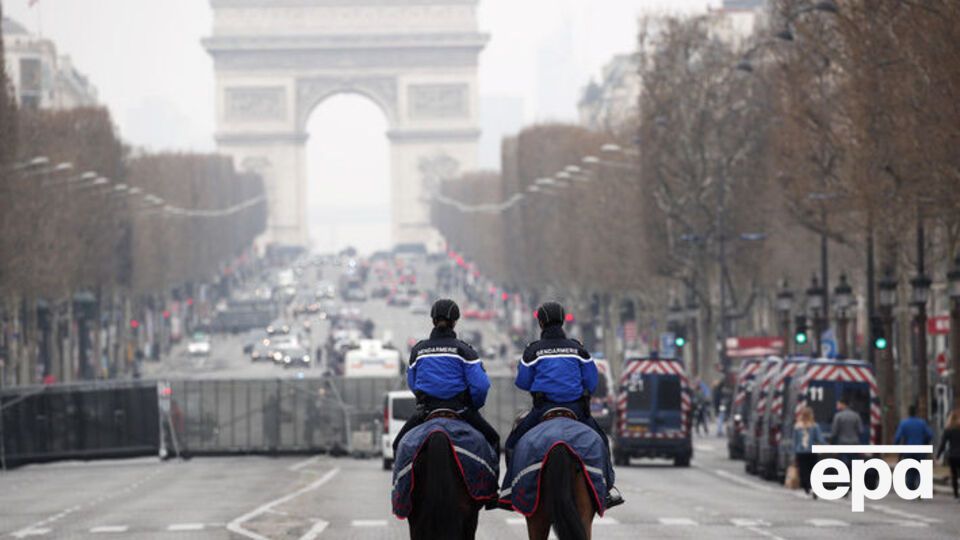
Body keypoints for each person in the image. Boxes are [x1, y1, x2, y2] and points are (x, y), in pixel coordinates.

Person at [504, 301, 623, 508]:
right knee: (602, 441)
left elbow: (522, 382)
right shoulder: (578, 350)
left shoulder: (533, 351)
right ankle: (606, 489)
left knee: (513, 442)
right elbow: (592, 382)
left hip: (543, 409)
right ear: (563, 321)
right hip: (576, 410)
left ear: (540, 323)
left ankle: (509, 490)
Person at [392, 298, 500, 455]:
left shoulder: (418, 351)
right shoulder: (465, 351)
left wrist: (425, 398)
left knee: (398, 445)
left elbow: (412, 383)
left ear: (433, 320)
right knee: (493, 439)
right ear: (454, 322)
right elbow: (481, 386)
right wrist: (472, 406)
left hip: (427, 410)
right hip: (460, 409)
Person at [894, 405, 934, 490]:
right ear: (916, 412)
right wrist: (925, 441)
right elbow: (930, 435)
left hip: (908, 450)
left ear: (909, 413)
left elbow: (897, 437)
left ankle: (911, 488)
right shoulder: (922, 423)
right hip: (920, 450)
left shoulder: (904, 423)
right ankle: (920, 486)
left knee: (910, 470)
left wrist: (896, 446)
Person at [793, 406, 825, 498]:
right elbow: (819, 439)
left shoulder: (797, 426)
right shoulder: (815, 426)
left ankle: (808, 488)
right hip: (812, 452)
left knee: (804, 471)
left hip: (801, 452)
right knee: (813, 470)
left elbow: (795, 441)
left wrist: (794, 452)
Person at [830, 397, 863, 471]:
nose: (837, 406)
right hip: (854, 443)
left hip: (842, 443)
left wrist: (831, 443)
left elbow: (834, 432)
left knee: (843, 464)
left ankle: (845, 481)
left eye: (838, 404)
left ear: (843, 404)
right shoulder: (856, 415)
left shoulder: (838, 416)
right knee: (854, 463)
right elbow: (860, 430)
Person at [936, 409, 960, 499]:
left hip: (952, 455)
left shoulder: (948, 430)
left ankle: (956, 494)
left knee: (954, 475)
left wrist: (938, 456)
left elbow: (943, 444)